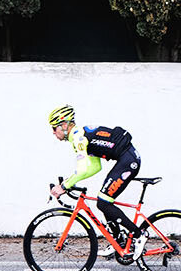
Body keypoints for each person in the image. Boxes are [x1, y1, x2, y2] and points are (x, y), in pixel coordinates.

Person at [48, 105, 144, 259]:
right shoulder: (80, 135)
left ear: (64, 125)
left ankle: (139, 235)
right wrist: (70, 182)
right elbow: (94, 167)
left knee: (103, 203)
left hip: (128, 161)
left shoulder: (78, 139)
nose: (53, 132)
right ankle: (118, 242)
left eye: (54, 128)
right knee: (104, 200)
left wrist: (65, 185)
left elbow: (83, 169)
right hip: (126, 159)